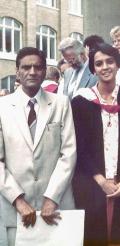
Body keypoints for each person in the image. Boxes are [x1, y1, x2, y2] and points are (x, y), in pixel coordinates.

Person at [71, 43, 120, 245]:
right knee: (94, 236)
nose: (105, 67)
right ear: (93, 69)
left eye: (110, 61)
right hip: (91, 182)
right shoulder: (81, 101)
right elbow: (79, 146)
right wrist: (101, 181)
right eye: (99, 63)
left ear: (118, 64)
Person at [0, 47, 76, 246]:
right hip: (14, 209)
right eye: (26, 67)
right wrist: (17, 199)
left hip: (56, 206)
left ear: (44, 71)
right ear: (17, 71)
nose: (32, 72)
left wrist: (52, 197)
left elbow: (68, 153)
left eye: (38, 67)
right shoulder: (2, 107)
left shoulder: (61, 103)